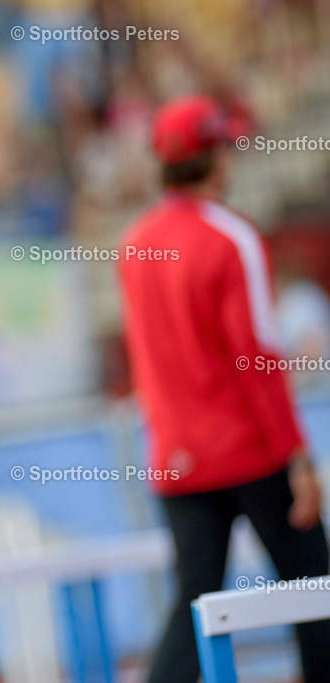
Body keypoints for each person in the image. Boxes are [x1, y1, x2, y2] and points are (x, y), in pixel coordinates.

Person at [118, 94, 330, 683]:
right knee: (315, 590)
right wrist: (297, 453)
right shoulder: (230, 237)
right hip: (250, 450)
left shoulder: (135, 242)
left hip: (178, 458)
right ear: (216, 156)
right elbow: (257, 360)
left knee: (194, 607)